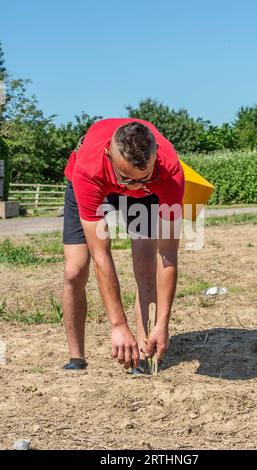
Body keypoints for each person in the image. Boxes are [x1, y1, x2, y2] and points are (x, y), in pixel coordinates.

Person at [62, 118, 184, 372]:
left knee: (145, 266)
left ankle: (143, 354)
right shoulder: (89, 169)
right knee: (75, 270)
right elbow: (101, 254)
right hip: (93, 183)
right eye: (129, 179)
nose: (137, 185)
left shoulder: (169, 171)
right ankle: (76, 358)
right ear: (109, 155)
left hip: (146, 198)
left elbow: (168, 253)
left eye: (144, 177)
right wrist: (117, 324)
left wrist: (163, 321)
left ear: (155, 158)